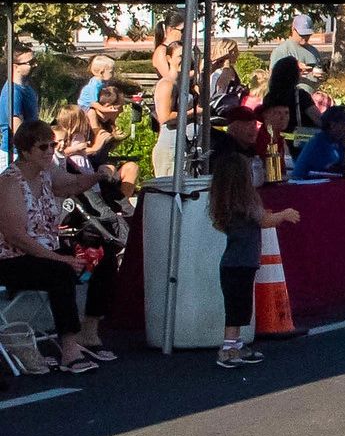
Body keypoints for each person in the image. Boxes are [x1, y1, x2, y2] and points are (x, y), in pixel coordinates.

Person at [0, 120, 123, 372]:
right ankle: (69, 347)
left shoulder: (46, 173)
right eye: (42, 147)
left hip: (46, 251)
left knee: (103, 256)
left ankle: (89, 330)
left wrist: (98, 175)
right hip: (11, 259)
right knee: (61, 272)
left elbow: (71, 184)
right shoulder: (9, 182)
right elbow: (16, 236)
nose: (49, 151)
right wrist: (62, 259)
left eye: (52, 145)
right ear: (25, 151)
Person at [209, 153, 299, 369]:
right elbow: (265, 220)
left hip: (235, 262)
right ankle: (228, 347)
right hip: (241, 262)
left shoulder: (227, 204)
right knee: (237, 308)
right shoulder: (245, 203)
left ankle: (237, 343)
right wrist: (285, 214)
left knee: (239, 305)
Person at [152, 40, 201, 179]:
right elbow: (164, 117)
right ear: (169, 58)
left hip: (187, 148)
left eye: (188, 57)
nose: (185, 60)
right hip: (171, 148)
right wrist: (194, 112)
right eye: (180, 56)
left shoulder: (186, 84)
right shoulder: (167, 84)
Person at [1, 45, 39, 170]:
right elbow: (18, 128)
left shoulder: (27, 88)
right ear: (15, 67)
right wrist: (32, 151)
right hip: (15, 155)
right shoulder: (13, 92)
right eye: (30, 63)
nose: (35, 65)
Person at [289, 106, 345, 180]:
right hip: (306, 186)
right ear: (332, 124)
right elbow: (334, 168)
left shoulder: (338, 142)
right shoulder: (319, 142)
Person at [210, 104, 261, 172]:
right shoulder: (224, 153)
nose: (253, 129)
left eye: (254, 124)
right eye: (247, 124)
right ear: (233, 128)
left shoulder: (254, 150)